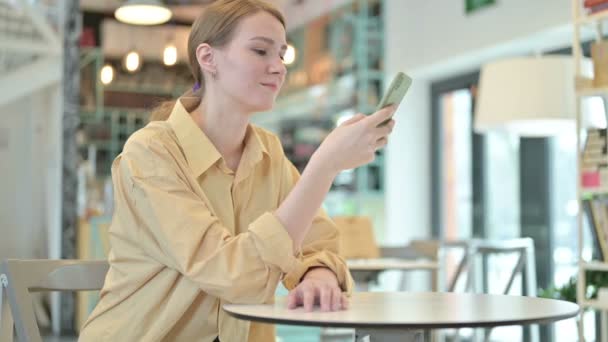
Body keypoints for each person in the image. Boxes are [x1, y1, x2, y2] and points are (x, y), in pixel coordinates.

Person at [78, 0, 395, 341]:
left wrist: (318, 274)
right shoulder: (151, 153)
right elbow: (230, 273)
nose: (278, 67)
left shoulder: (268, 152)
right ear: (208, 58)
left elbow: (319, 242)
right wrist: (324, 165)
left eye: (283, 55)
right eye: (260, 51)